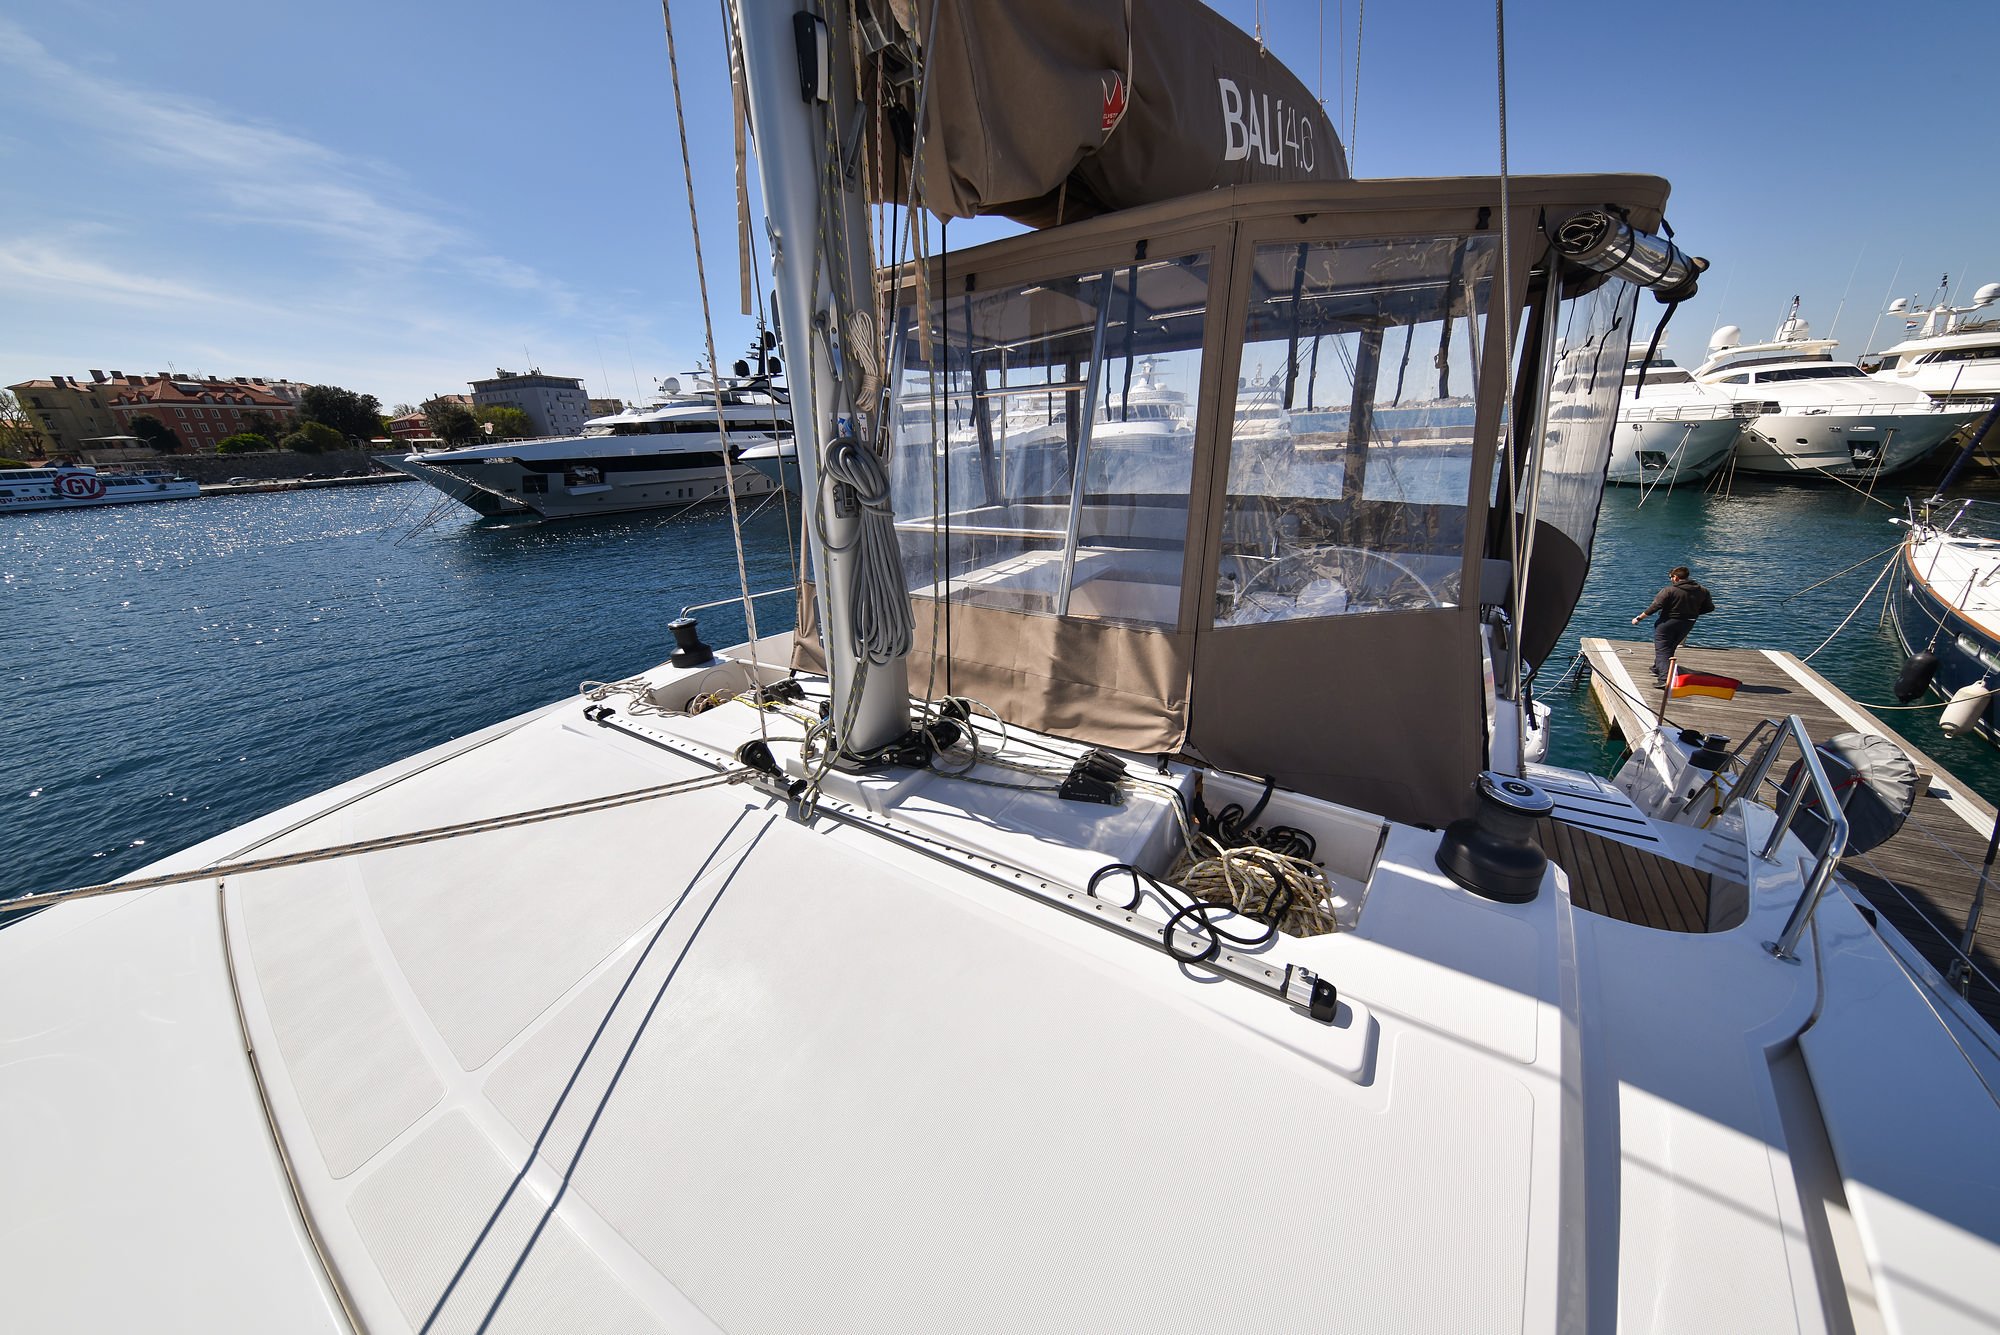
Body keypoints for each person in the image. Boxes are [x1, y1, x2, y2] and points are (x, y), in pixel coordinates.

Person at [1632, 565, 1715, 682]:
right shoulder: (1703, 591)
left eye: (1670, 577)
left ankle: (1664, 679)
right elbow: (1710, 608)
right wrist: (1692, 613)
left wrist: (1639, 618)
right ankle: (1658, 668)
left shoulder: (1669, 590)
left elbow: (1655, 606)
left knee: (1662, 649)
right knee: (1669, 647)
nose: (1671, 580)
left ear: (1675, 577)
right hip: (1688, 623)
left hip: (1667, 622)